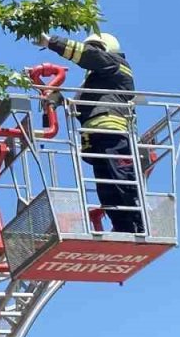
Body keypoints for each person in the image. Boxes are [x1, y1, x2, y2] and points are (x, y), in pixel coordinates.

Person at [37, 31, 143, 234]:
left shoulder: (116, 65)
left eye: (96, 47)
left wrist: (51, 42)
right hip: (95, 140)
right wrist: (59, 99)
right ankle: (123, 229)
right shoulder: (94, 83)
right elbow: (81, 108)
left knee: (121, 179)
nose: (92, 51)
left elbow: (89, 56)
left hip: (114, 135)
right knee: (106, 190)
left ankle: (138, 225)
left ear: (107, 49)